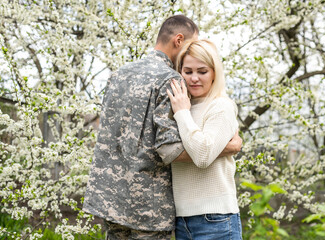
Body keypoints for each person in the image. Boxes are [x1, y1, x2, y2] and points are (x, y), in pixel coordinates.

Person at [83, 15, 242, 240]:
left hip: (110, 200)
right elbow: (169, 149)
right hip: (148, 206)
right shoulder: (170, 80)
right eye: (190, 44)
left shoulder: (118, 75)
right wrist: (226, 147)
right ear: (179, 40)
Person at [166, 39, 243, 240]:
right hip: (182, 221)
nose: (194, 78)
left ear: (214, 73)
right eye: (188, 71)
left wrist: (182, 113)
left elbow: (202, 156)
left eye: (202, 71)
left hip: (216, 220)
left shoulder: (220, 106)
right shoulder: (181, 105)